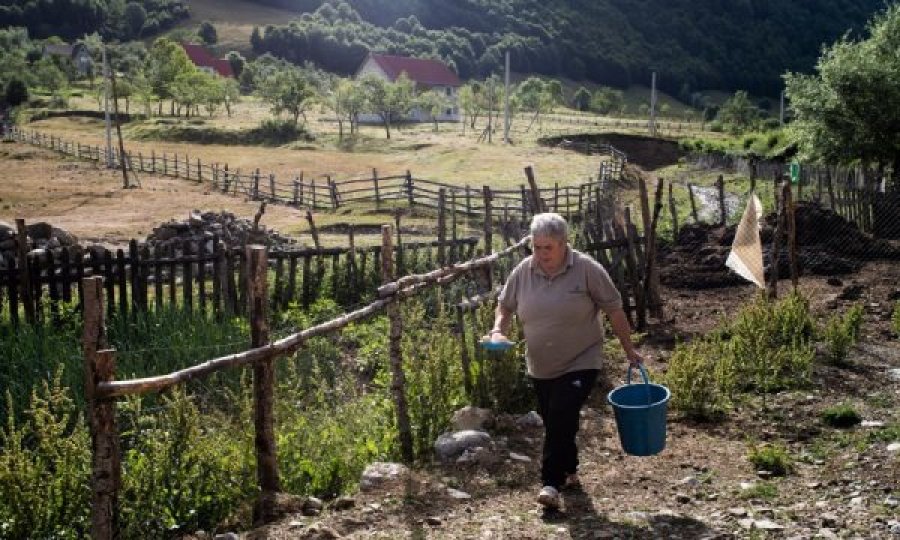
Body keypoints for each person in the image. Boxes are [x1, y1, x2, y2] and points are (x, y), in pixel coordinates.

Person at [484, 212, 644, 510]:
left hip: (582, 359)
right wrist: (497, 331)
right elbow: (504, 307)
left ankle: (550, 483)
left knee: (560, 413)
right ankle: (569, 469)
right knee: (556, 420)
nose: (542, 254)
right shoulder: (523, 271)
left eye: (548, 247)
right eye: (536, 247)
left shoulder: (586, 269)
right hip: (541, 365)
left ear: (563, 243)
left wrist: (628, 350)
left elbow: (615, 310)